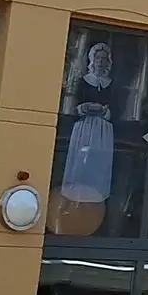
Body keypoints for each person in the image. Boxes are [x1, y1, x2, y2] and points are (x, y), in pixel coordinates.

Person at [52, 41, 115, 235]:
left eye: (104, 59)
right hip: (84, 127)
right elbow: (73, 103)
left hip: (103, 130)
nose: (100, 62)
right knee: (78, 165)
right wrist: (83, 108)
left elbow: (116, 107)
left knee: (98, 167)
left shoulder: (111, 84)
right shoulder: (82, 81)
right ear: (92, 59)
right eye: (98, 58)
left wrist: (104, 111)